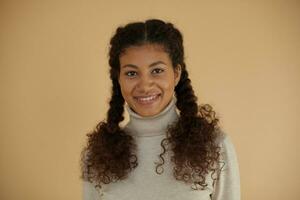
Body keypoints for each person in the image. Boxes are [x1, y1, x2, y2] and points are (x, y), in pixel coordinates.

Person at [80, 19, 240, 200]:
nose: (145, 85)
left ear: (176, 73)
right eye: (131, 73)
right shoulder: (98, 155)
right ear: (119, 79)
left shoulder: (215, 145)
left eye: (157, 70)